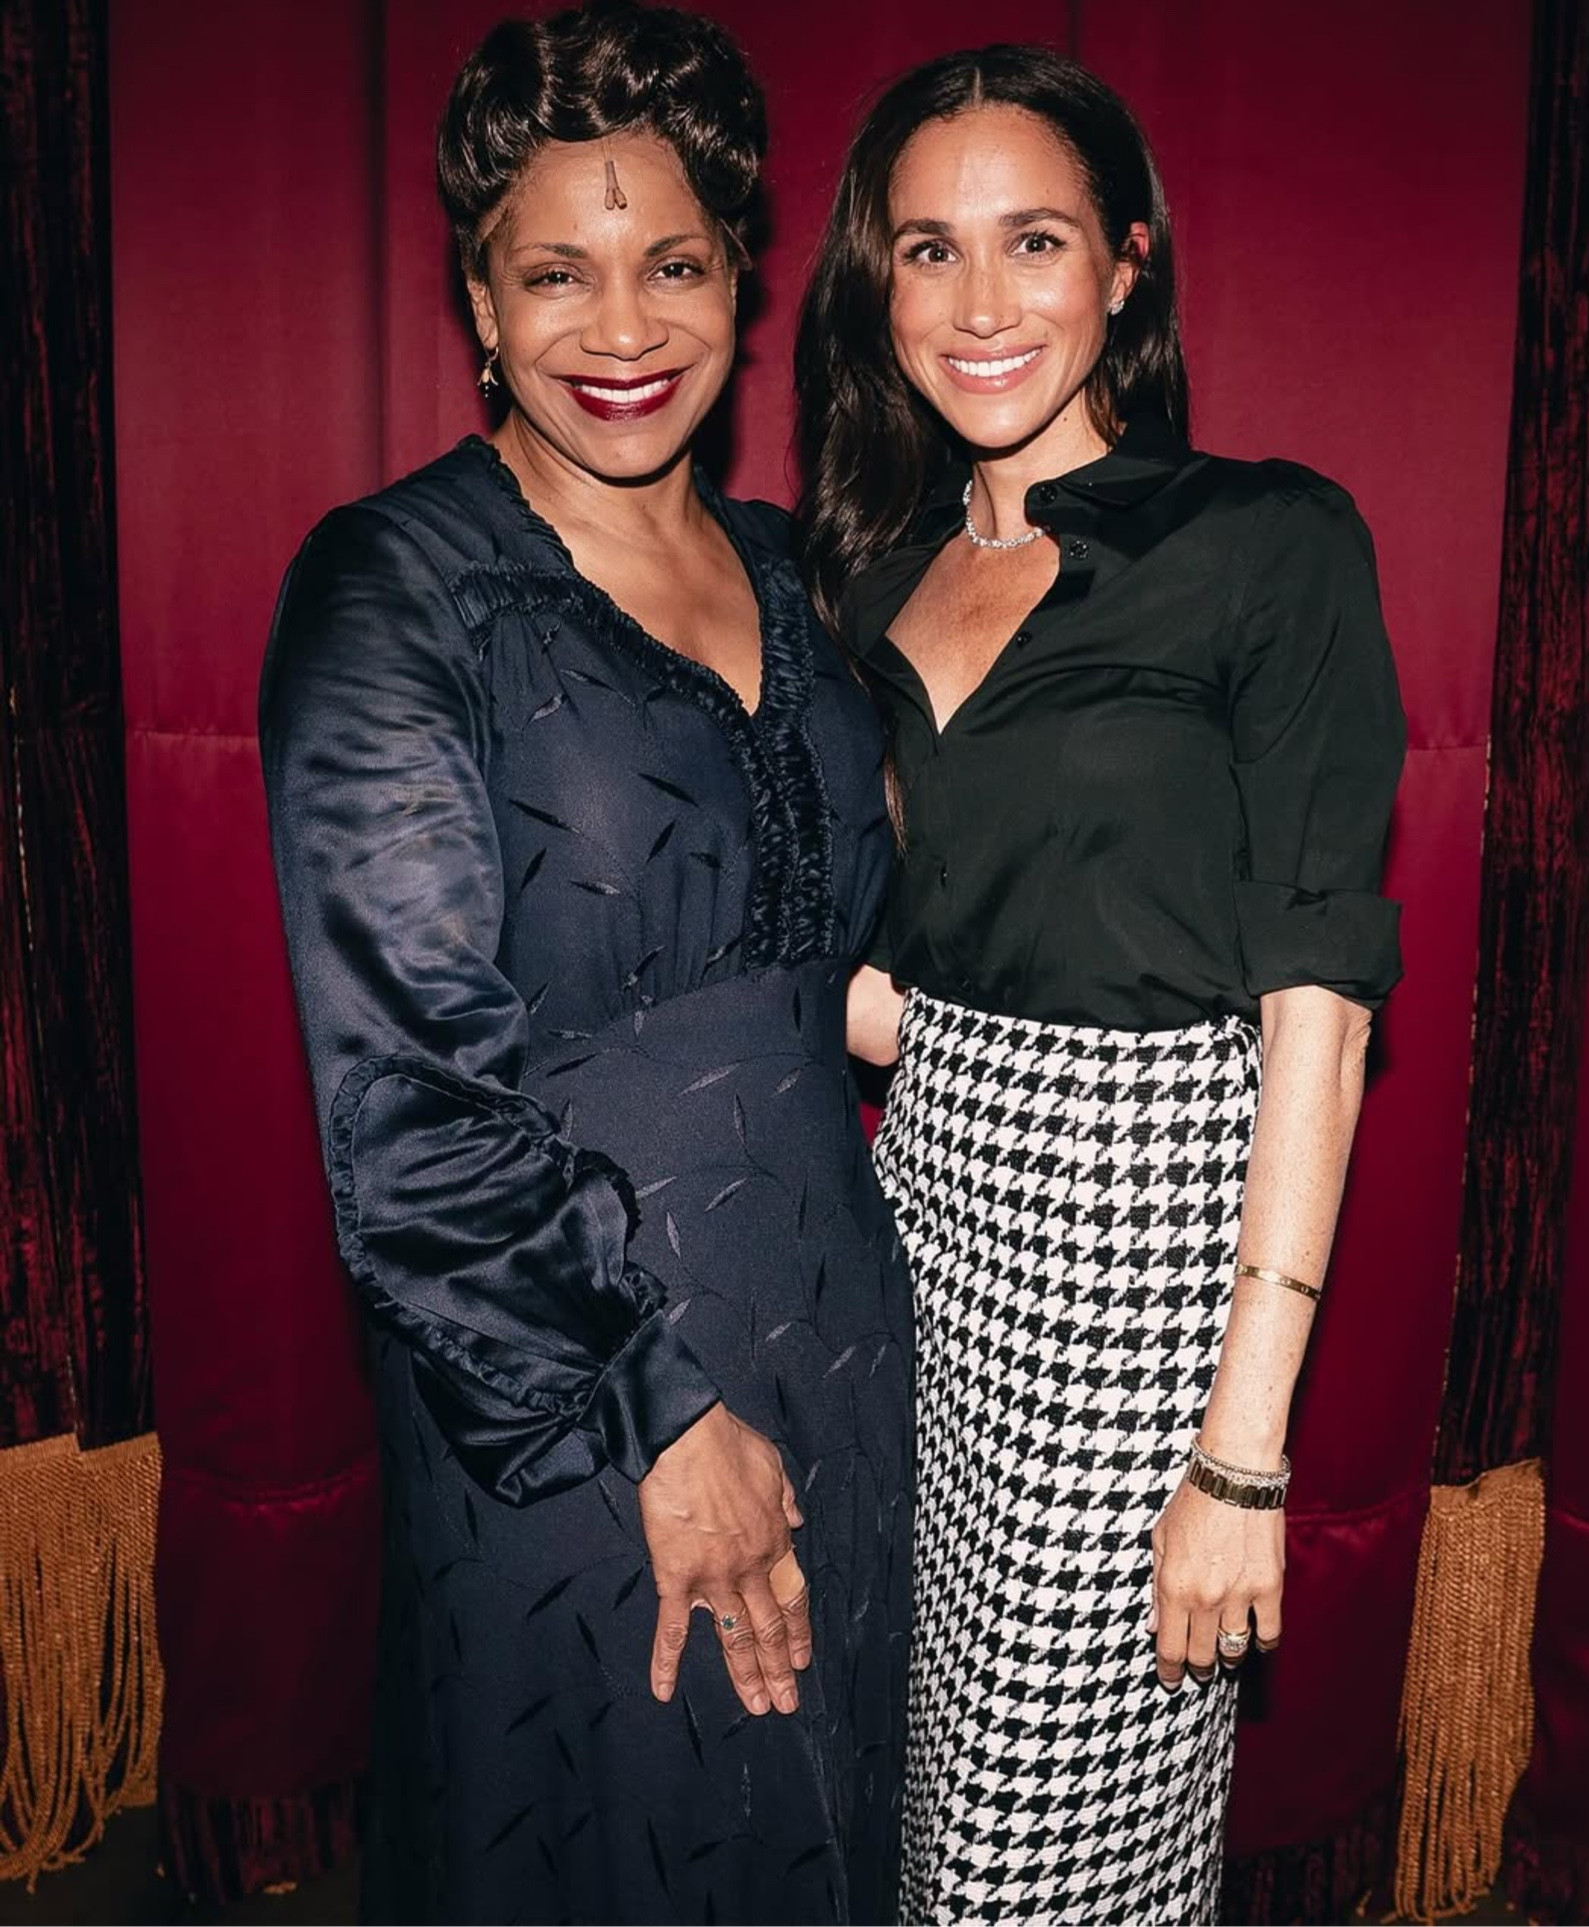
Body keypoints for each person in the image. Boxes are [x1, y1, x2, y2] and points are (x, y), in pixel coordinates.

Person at [259, 6, 911, 1921]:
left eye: (672, 266)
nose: (621, 328)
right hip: (571, 1401)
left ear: (740, 286)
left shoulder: (804, 573)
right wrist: (658, 1415)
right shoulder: (395, 589)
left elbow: (874, 962)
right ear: (479, 297)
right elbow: (403, 1107)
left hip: (847, 1350)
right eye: (556, 272)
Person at [796, 44, 1405, 1926]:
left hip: (1142, 1259)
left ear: (1128, 264)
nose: (981, 301)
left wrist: (1243, 1455)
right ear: (878, 287)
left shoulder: (1263, 542)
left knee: (1036, 1851)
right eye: (928, 249)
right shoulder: (874, 584)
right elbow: (914, 962)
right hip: (919, 1223)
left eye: (1036, 240)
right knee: (911, 1792)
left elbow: (1319, 1002)